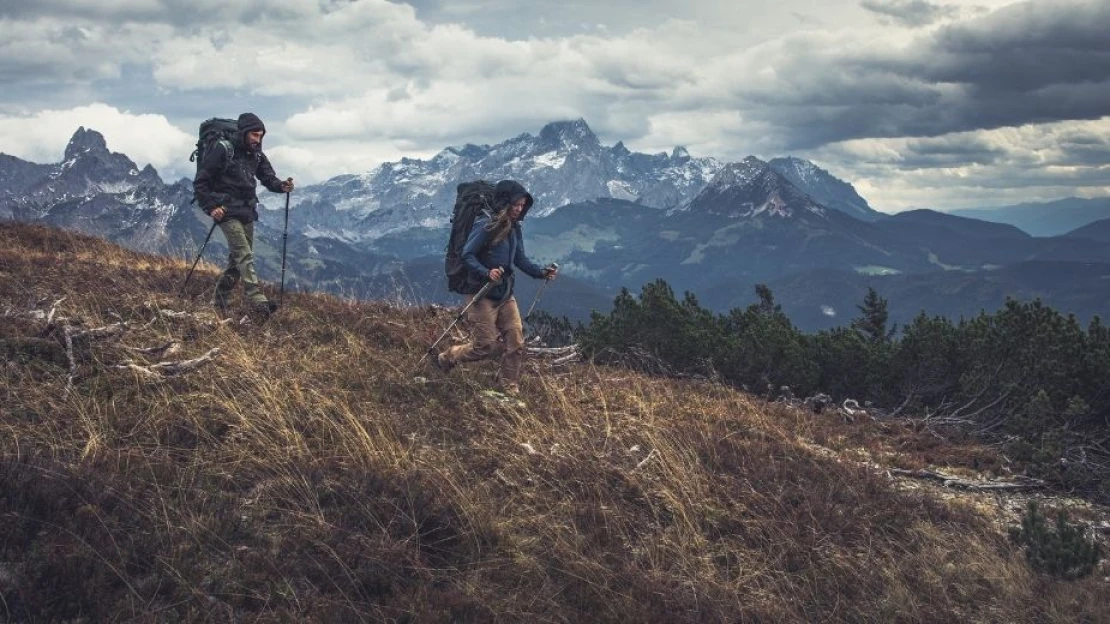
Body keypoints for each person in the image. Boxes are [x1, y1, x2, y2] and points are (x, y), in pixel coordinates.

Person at [432, 180, 557, 395]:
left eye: (522, 205)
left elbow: (520, 259)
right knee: (484, 346)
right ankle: (447, 357)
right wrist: (486, 271)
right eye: (516, 205)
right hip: (482, 294)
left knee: (516, 341)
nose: (519, 209)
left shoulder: (514, 228)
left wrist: (541, 272)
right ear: (505, 202)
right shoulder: (485, 225)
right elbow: (467, 254)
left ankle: (509, 387)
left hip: (505, 293)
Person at [193, 112, 293, 317]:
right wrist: (212, 207)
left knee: (236, 264)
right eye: (254, 135)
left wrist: (282, 186)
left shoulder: (256, 153)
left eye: (261, 136)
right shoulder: (223, 149)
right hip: (226, 212)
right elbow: (200, 182)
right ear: (244, 132)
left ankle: (219, 302)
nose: (258, 140)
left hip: (247, 211)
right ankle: (257, 300)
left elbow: (268, 178)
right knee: (244, 255)